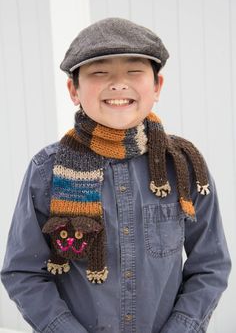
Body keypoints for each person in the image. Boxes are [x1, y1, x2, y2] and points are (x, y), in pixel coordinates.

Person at [1, 17, 231, 333]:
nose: (118, 83)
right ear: (74, 89)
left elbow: (210, 266)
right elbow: (23, 271)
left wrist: (183, 326)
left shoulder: (183, 166)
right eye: (99, 72)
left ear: (157, 86)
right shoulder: (47, 170)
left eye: (134, 71)